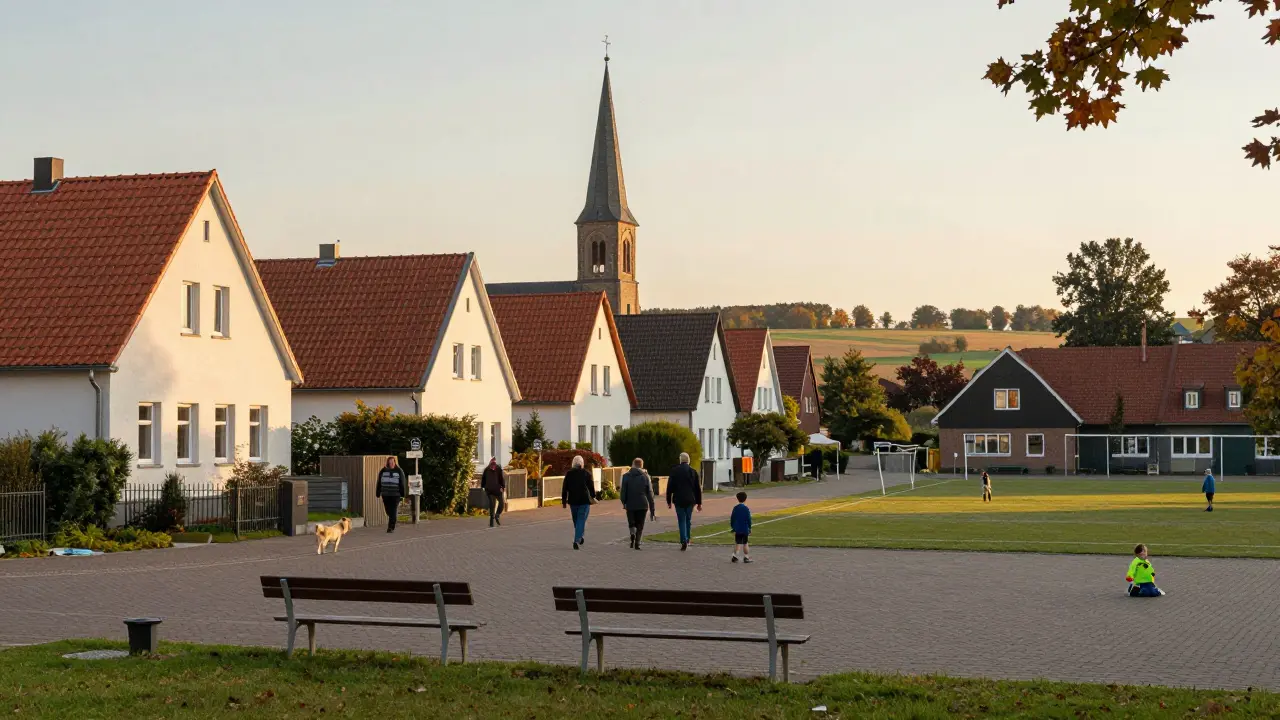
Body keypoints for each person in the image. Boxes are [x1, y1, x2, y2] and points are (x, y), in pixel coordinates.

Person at [666, 452, 702, 551]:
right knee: (688, 520)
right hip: (690, 499)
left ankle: (683, 540)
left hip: (678, 499)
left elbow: (669, 487)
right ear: (688, 460)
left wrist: (668, 500)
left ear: (680, 460)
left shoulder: (674, 471)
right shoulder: (693, 472)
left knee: (681, 520)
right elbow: (697, 488)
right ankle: (688, 538)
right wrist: (699, 503)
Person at [562, 455, 596, 549]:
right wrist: (593, 496)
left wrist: (564, 501)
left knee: (576, 520)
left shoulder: (569, 474)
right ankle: (578, 538)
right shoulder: (586, 473)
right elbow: (591, 486)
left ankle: (578, 538)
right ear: (582, 463)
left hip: (573, 501)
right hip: (584, 501)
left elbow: (565, 488)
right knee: (580, 520)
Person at [620, 458, 655, 549]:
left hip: (630, 503)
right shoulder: (645, 476)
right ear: (642, 465)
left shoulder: (626, 476)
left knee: (632, 522)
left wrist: (624, 502)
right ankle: (637, 542)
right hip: (642, 504)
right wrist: (652, 509)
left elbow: (623, 491)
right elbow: (650, 493)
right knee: (640, 524)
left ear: (633, 464)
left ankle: (632, 532)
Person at [373, 456, 407, 533]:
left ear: (395, 462)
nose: (391, 464)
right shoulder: (383, 471)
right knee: (388, 511)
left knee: (393, 511)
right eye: (390, 462)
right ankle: (392, 519)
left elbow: (402, 483)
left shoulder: (399, 471)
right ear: (388, 463)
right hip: (385, 495)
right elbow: (379, 482)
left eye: (392, 462)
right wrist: (378, 493)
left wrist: (403, 494)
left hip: (395, 495)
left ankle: (391, 527)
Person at [481, 457, 506, 527]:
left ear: (495, 464)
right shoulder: (486, 470)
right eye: (491, 464)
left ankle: (497, 515)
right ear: (490, 464)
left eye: (494, 464)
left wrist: (503, 487)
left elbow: (501, 478)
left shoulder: (498, 469)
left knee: (501, 503)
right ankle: (491, 522)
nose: (493, 466)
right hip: (489, 491)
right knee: (492, 505)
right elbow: (483, 479)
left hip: (497, 490)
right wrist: (483, 487)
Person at [730, 491, 752, 563]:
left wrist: (733, 527)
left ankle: (735, 556)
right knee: (745, 543)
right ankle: (746, 557)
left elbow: (732, 518)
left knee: (737, 542)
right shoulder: (746, 508)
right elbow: (748, 519)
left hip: (738, 528)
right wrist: (750, 527)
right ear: (745, 499)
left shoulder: (735, 508)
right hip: (745, 528)